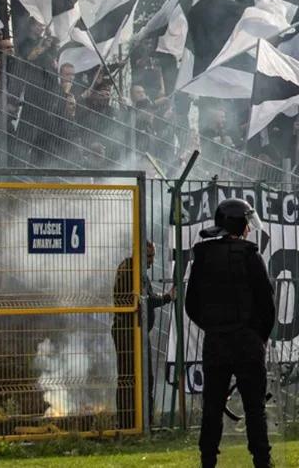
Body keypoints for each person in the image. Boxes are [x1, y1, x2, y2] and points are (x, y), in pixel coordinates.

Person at [185, 199, 275, 468]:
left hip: (216, 343)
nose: (249, 229)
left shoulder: (202, 257)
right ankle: (262, 460)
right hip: (248, 342)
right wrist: (258, 336)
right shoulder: (250, 256)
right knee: (254, 408)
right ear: (238, 224)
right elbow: (267, 305)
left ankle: (208, 460)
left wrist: (214, 327)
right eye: (246, 223)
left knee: (212, 407)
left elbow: (192, 305)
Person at [112, 240, 175, 429]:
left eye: (153, 256)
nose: (151, 261)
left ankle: (141, 423)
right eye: (148, 256)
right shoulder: (130, 272)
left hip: (137, 330)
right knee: (130, 378)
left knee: (142, 378)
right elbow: (145, 302)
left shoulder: (137, 272)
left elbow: (147, 299)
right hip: (128, 332)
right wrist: (166, 297)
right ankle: (130, 424)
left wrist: (165, 297)